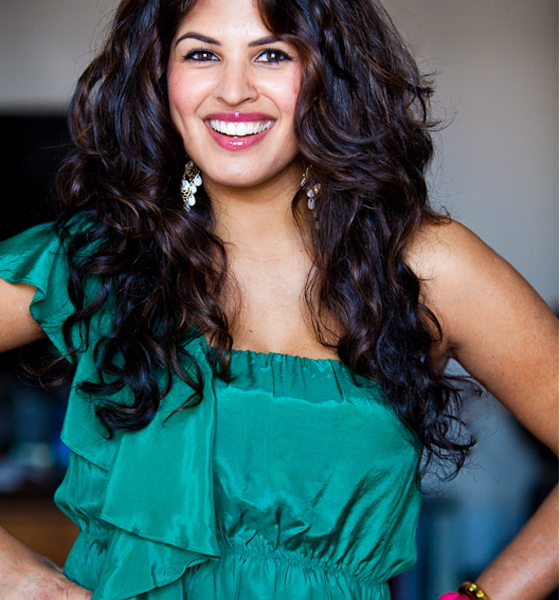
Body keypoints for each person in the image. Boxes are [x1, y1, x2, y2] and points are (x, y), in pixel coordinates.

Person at [0, 0, 557, 598]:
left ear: (329, 74)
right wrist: (28, 582)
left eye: (271, 54)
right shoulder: (97, 260)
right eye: (201, 54)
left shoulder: (424, 266)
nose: (233, 90)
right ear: (159, 78)